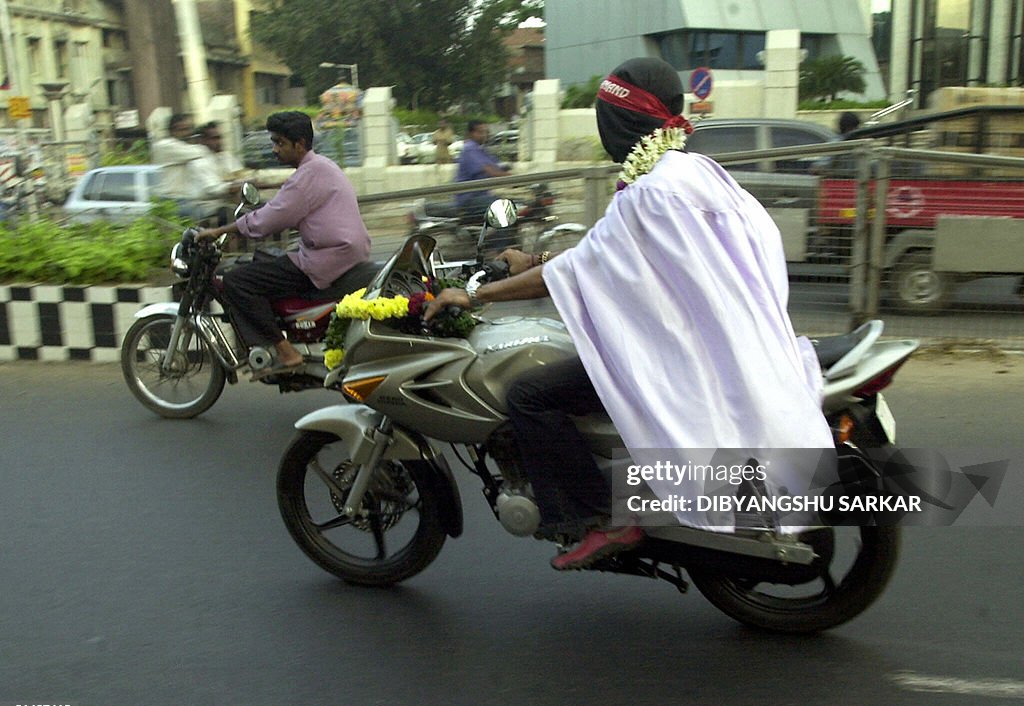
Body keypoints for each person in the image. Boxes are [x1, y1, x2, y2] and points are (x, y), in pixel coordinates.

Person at [425, 57, 833, 570]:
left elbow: (586, 269)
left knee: (528, 395)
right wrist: (535, 260)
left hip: (680, 355)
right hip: (736, 344)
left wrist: (477, 296)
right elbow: (615, 258)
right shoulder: (696, 173)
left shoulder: (649, 193)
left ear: (620, 122)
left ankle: (598, 516)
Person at [196, 111, 375, 379]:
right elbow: (282, 206)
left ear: (299, 144)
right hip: (342, 253)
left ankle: (285, 351)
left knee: (237, 281)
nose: (274, 149)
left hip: (327, 259)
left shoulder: (307, 176)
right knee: (264, 262)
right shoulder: (321, 167)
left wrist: (220, 231)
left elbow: (270, 220)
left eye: (280, 143)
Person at [187, 122, 245, 224]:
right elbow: (213, 189)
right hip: (208, 207)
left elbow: (240, 175)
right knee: (239, 215)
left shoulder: (227, 157)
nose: (219, 142)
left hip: (229, 203)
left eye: (220, 138)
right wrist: (233, 186)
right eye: (214, 138)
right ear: (203, 141)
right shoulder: (198, 163)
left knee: (265, 208)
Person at [151, 113, 205, 217]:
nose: (189, 133)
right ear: (173, 131)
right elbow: (201, 152)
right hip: (173, 200)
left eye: (190, 129)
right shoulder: (166, 146)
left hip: (184, 199)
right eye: (184, 129)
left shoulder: (181, 146)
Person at [454, 119, 510, 217]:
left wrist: (507, 170)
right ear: (471, 133)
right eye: (480, 132)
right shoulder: (470, 148)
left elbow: (497, 166)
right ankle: (503, 232)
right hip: (470, 199)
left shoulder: (481, 149)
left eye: (486, 132)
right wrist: (514, 179)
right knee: (504, 209)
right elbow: (490, 170)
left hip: (481, 195)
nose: (484, 135)